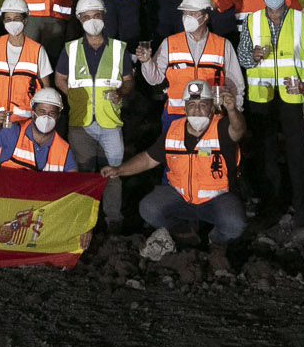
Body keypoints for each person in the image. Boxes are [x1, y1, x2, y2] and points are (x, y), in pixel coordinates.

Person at [103, 80, 247, 272]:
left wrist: (232, 110)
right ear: (185, 107)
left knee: (235, 223)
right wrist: (119, 170)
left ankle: (216, 241)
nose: (196, 110)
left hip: (216, 199)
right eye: (191, 105)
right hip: (180, 197)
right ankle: (183, 230)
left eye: (202, 105)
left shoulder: (222, 127)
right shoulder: (174, 130)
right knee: (149, 207)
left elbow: (238, 129)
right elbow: (148, 159)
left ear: (212, 107)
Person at [237, 0, 304, 226]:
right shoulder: (251, 20)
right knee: (266, 154)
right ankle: (272, 205)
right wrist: (253, 56)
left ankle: (301, 208)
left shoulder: (301, 20)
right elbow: (243, 58)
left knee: (298, 153)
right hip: (262, 97)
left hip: (293, 95)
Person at [61, 0, 131, 232]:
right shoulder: (70, 49)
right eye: (87, 17)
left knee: (113, 173)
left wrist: (121, 92)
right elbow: (60, 78)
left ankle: (113, 219)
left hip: (110, 122)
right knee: (84, 173)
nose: (92, 21)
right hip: (80, 123)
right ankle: (83, 221)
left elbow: (129, 80)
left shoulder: (120, 49)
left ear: (104, 16)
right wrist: (72, 96)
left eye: (96, 15)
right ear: (80, 19)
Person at [137, 0, 245, 119]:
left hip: (211, 115)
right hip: (176, 115)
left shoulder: (222, 45)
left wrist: (236, 112)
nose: (187, 17)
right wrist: (147, 62)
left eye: (192, 13)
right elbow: (154, 79)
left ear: (205, 17)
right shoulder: (170, 43)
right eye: (184, 13)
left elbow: (236, 84)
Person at [0, 0, 53, 126]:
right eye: (8, 19)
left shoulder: (37, 50)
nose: (12, 23)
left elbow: (46, 89)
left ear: (25, 20)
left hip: (24, 121)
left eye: (17, 19)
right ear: (3, 22)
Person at [0, 86, 78, 171]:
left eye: (52, 113)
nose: (46, 117)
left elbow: (73, 187)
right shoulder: (13, 133)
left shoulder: (64, 151)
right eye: (42, 112)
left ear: (58, 116)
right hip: (8, 194)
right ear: (32, 113)